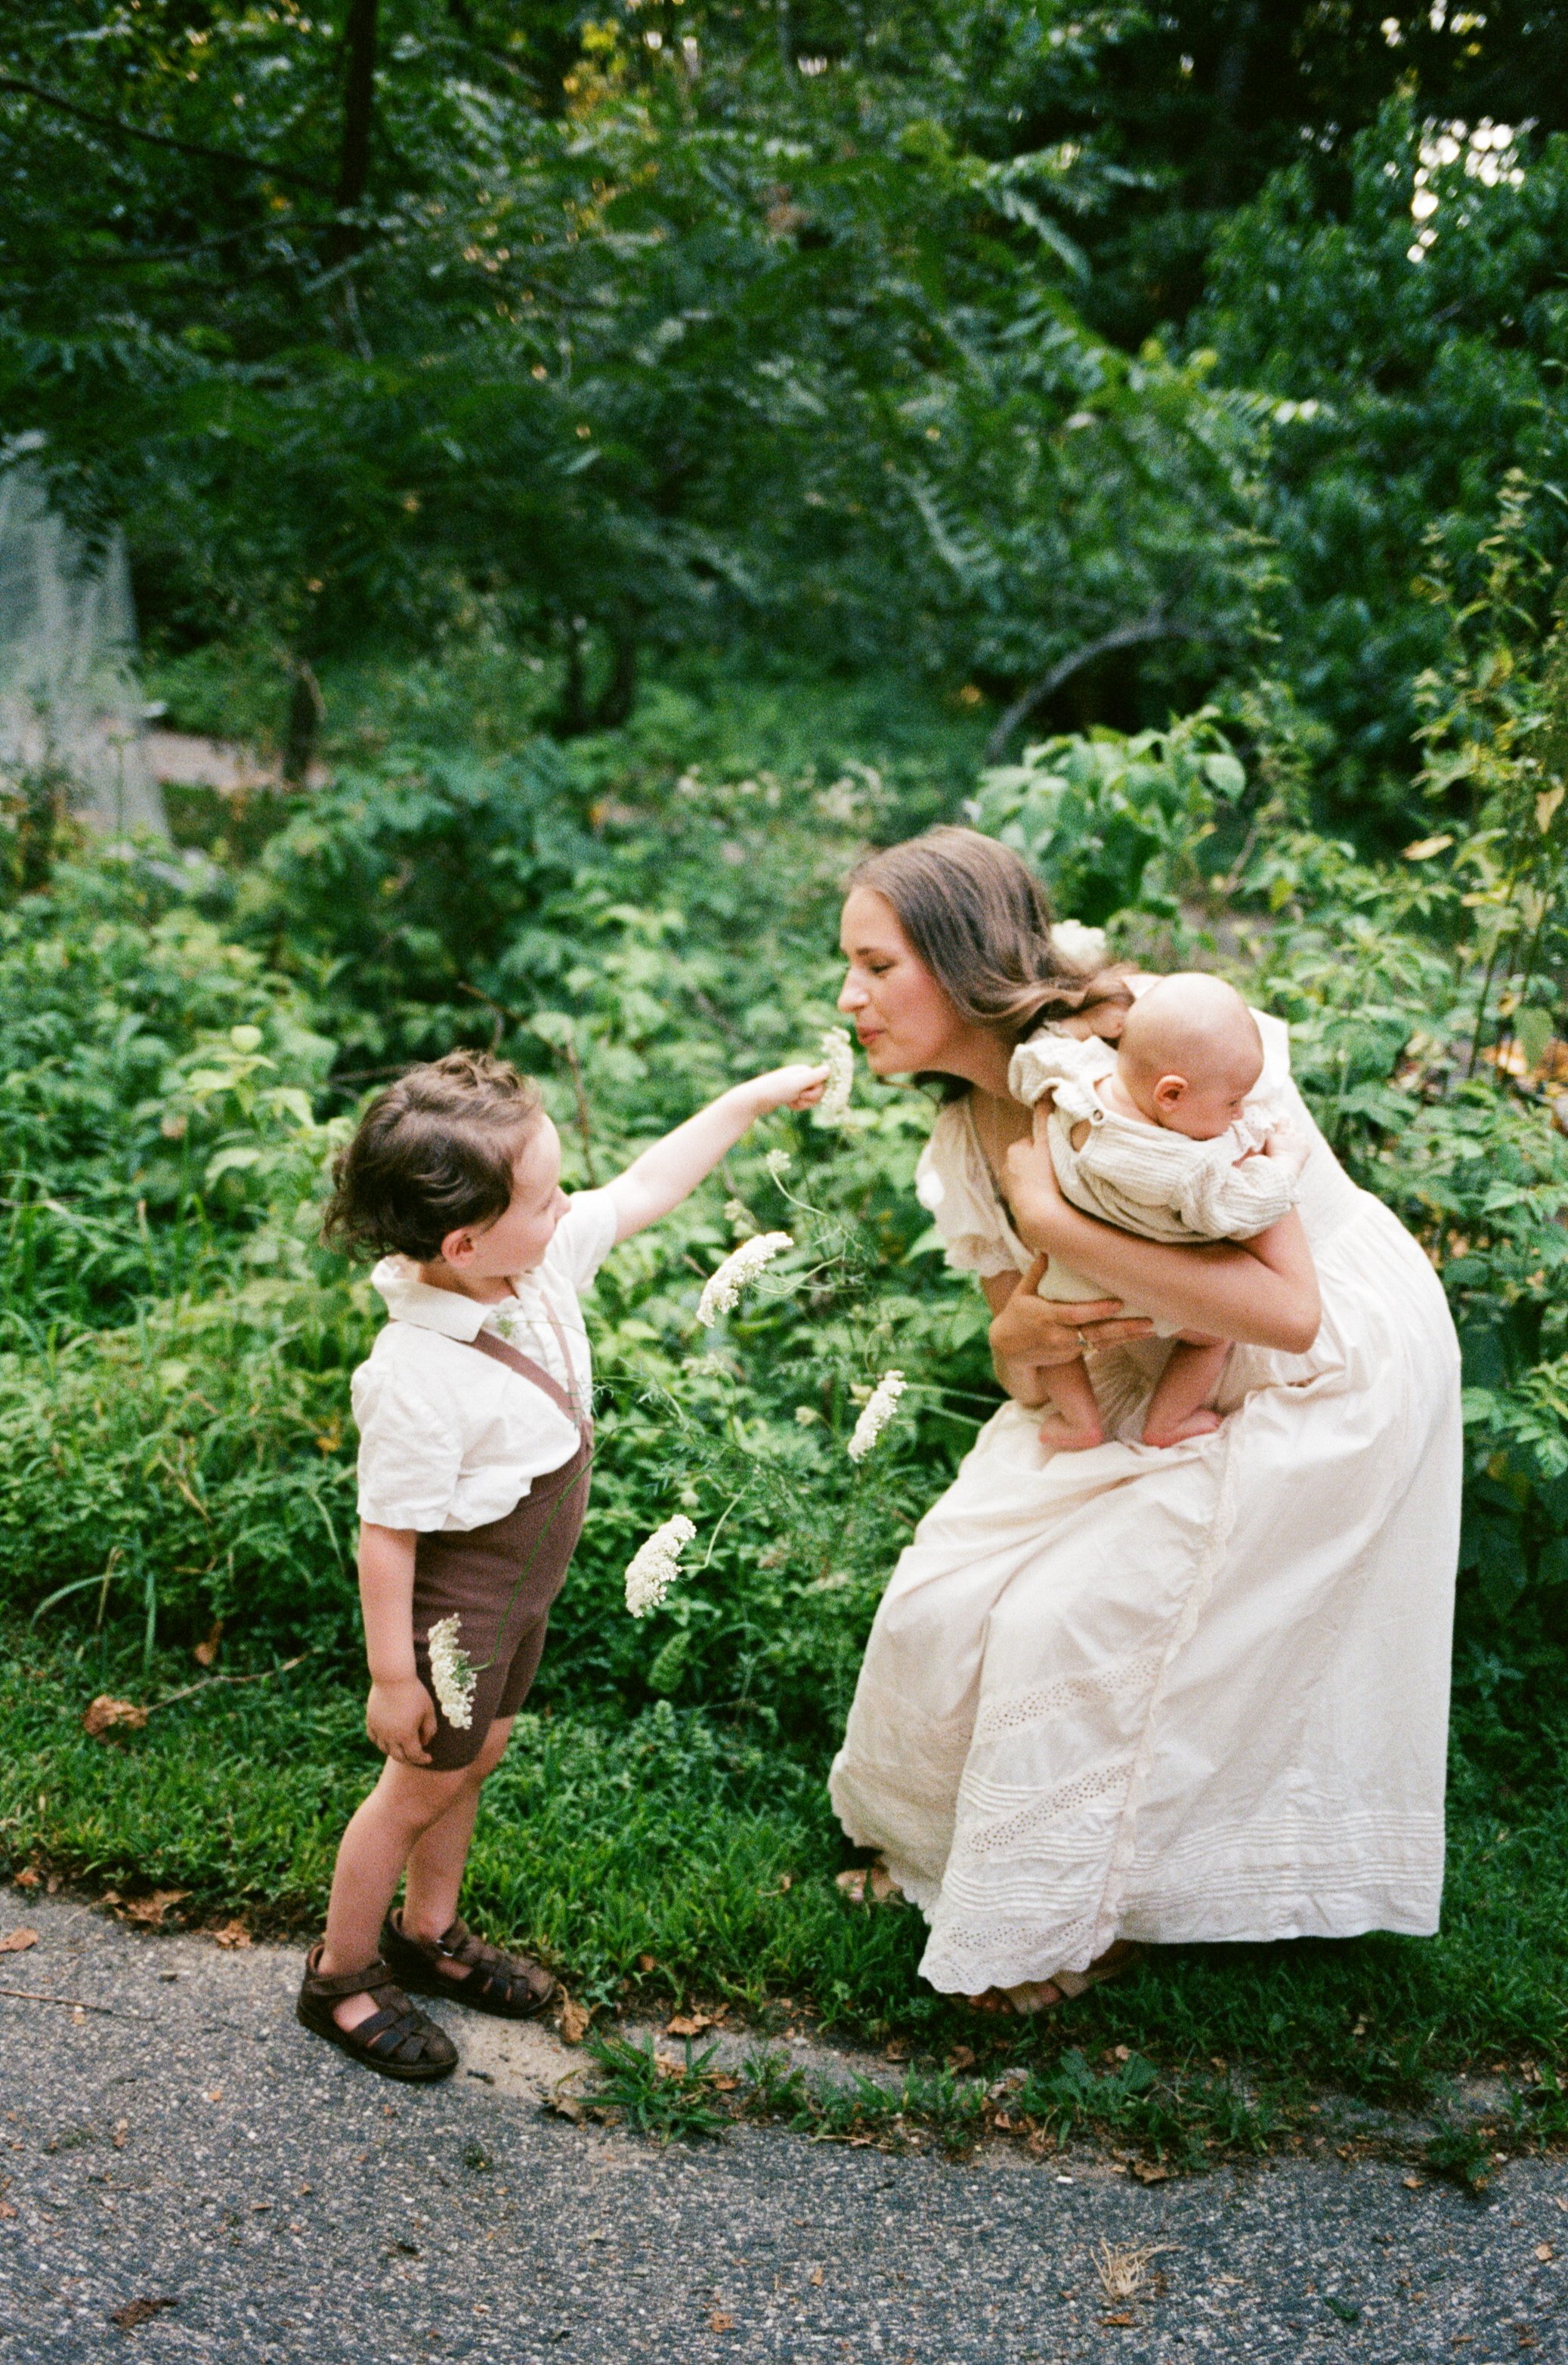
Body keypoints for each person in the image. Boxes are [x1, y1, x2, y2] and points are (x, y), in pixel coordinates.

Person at [827, 826, 1461, 2015]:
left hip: (1322, 1365)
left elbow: (1279, 1308)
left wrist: (1058, 1227)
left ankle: (1076, 1915)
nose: (848, 996)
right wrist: (1017, 1336)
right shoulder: (965, 1133)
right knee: (948, 1592)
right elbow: (1021, 1346)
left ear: (962, 960)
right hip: (1139, 1356)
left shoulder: (1162, 1043)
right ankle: (937, 1849)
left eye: (875, 964)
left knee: (1075, 1616)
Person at [298, 1046, 826, 2080]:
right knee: (409, 1788)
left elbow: (643, 1188)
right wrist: (393, 1674)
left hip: (517, 1598)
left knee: (475, 1759)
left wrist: (747, 1096)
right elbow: (388, 1532)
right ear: (462, 1238)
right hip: (453, 1618)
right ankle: (342, 1972)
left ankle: (431, 1927)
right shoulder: (414, 1372)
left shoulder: (528, 1265)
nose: (566, 1208)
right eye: (542, 1197)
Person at [1008, 971, 1308, 1451]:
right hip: (1149, 1290)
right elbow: (1240, 1209)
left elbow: (1032, 1059)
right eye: (1232, 1101)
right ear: (1170, 1095)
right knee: (1210, 1338)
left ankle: (1079, 1420)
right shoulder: (1179, 1165)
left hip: (1069, 1283)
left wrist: (1072, 1029)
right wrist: (1285, 1165)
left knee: (1058, 1347)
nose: (1238, 1113)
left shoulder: (1080, 1080)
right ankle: (1167, 1421)